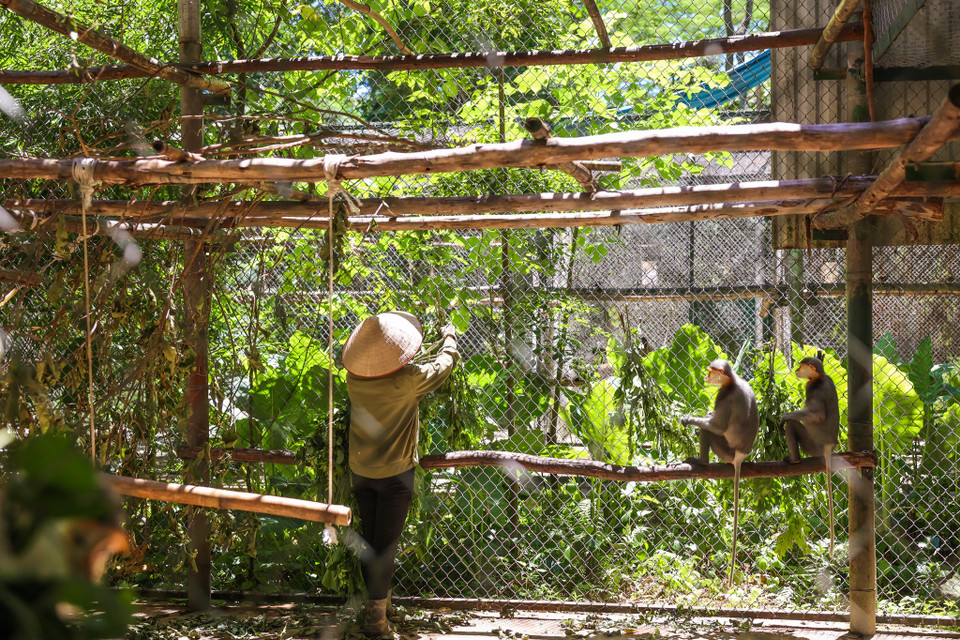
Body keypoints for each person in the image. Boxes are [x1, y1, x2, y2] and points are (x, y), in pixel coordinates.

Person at [341, 311, 458, 637]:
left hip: (361, 472)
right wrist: (449, 336)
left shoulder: (354, 380)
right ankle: (376, 618)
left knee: (369, 544)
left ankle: (380, 604)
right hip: (396, 476)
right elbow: (445, 364)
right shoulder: (408, 381)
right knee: (386, 546)